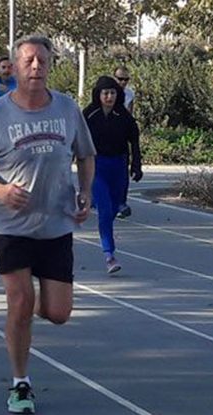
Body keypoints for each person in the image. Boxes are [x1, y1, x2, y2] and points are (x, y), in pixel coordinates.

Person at [0, 34, 95, 415]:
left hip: (55, 225)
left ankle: (28, 314)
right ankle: (20, 383)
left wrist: (86, 193)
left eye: (42, 61)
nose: (36, 67)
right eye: (29, 61)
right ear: (15, 67)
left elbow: (85, 155)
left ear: (51, 66)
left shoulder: (67, 109)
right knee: (20, 302)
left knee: (58, 313)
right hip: (10, 225)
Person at [83, 75, 142, 274]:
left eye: (113, 93)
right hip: (97, 166)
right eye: (105, 93)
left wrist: (136, 164)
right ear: (98, 94)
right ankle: (109, 254)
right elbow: (78, 141)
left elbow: (134, 141)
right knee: (105, 212)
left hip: (119, 166)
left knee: (116, 207)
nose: (109, 97)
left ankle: (108, 240)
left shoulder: (124, 116)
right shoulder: (89, 115)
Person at [112, 66, 135, 219]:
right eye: (120, 79)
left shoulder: (129, 93)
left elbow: (130, 114)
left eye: (126, 79)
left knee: (122, 172)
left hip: (121, 136)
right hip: (105, 136)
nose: (123, 82)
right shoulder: (106, 92)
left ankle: (121, 203)